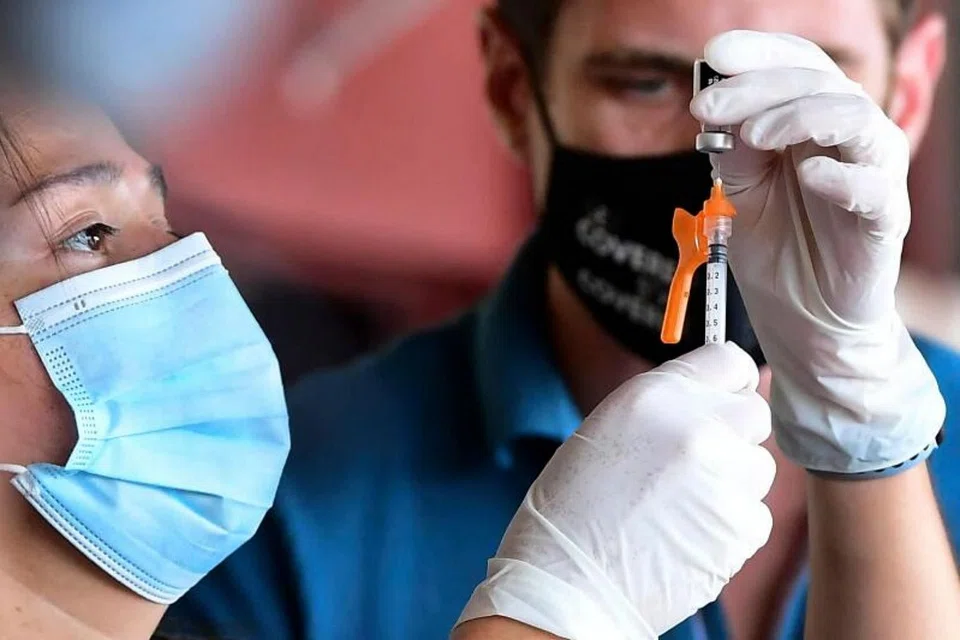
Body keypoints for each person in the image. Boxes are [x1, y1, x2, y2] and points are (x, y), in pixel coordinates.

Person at [167, 5, 960, 640]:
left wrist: (863, 426)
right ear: (513, 89)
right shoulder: (273, 504)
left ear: (912, 93)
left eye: (804, 90)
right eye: (643, 85)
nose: (725, 162)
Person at [0, 81, 780, 640]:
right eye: (86, 235)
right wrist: (561, 610)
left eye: (165, 220)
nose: (190, 273)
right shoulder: (325, 507)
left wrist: (848, 442)